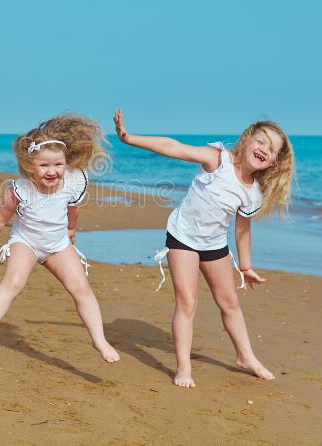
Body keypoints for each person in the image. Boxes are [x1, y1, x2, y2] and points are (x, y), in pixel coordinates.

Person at [113, 109, 294, 387]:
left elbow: (242, 230)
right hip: (183, 237)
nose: (263, 150)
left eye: (271, 150)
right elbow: (175, 147)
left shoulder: (252, 193)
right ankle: (183, 367)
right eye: (261, 141)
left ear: (273, 162)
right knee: (187, 302)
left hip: (214, 244)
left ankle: (246, 356)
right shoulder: (218, 159)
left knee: (230, 303)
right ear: (248, 139)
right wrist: (129, 138)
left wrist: (245, 266)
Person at [0, 113, 120, 363]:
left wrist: (71, 229)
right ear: (30, 166)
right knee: (13, 283)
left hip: (58, 244)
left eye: (58, 164)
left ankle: (100, 340)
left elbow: (74, 208)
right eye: (44, 166)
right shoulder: (20, 190)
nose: (52, 171)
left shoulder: (74, 181)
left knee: (81, 289)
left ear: (66, 162)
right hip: (26, 242)